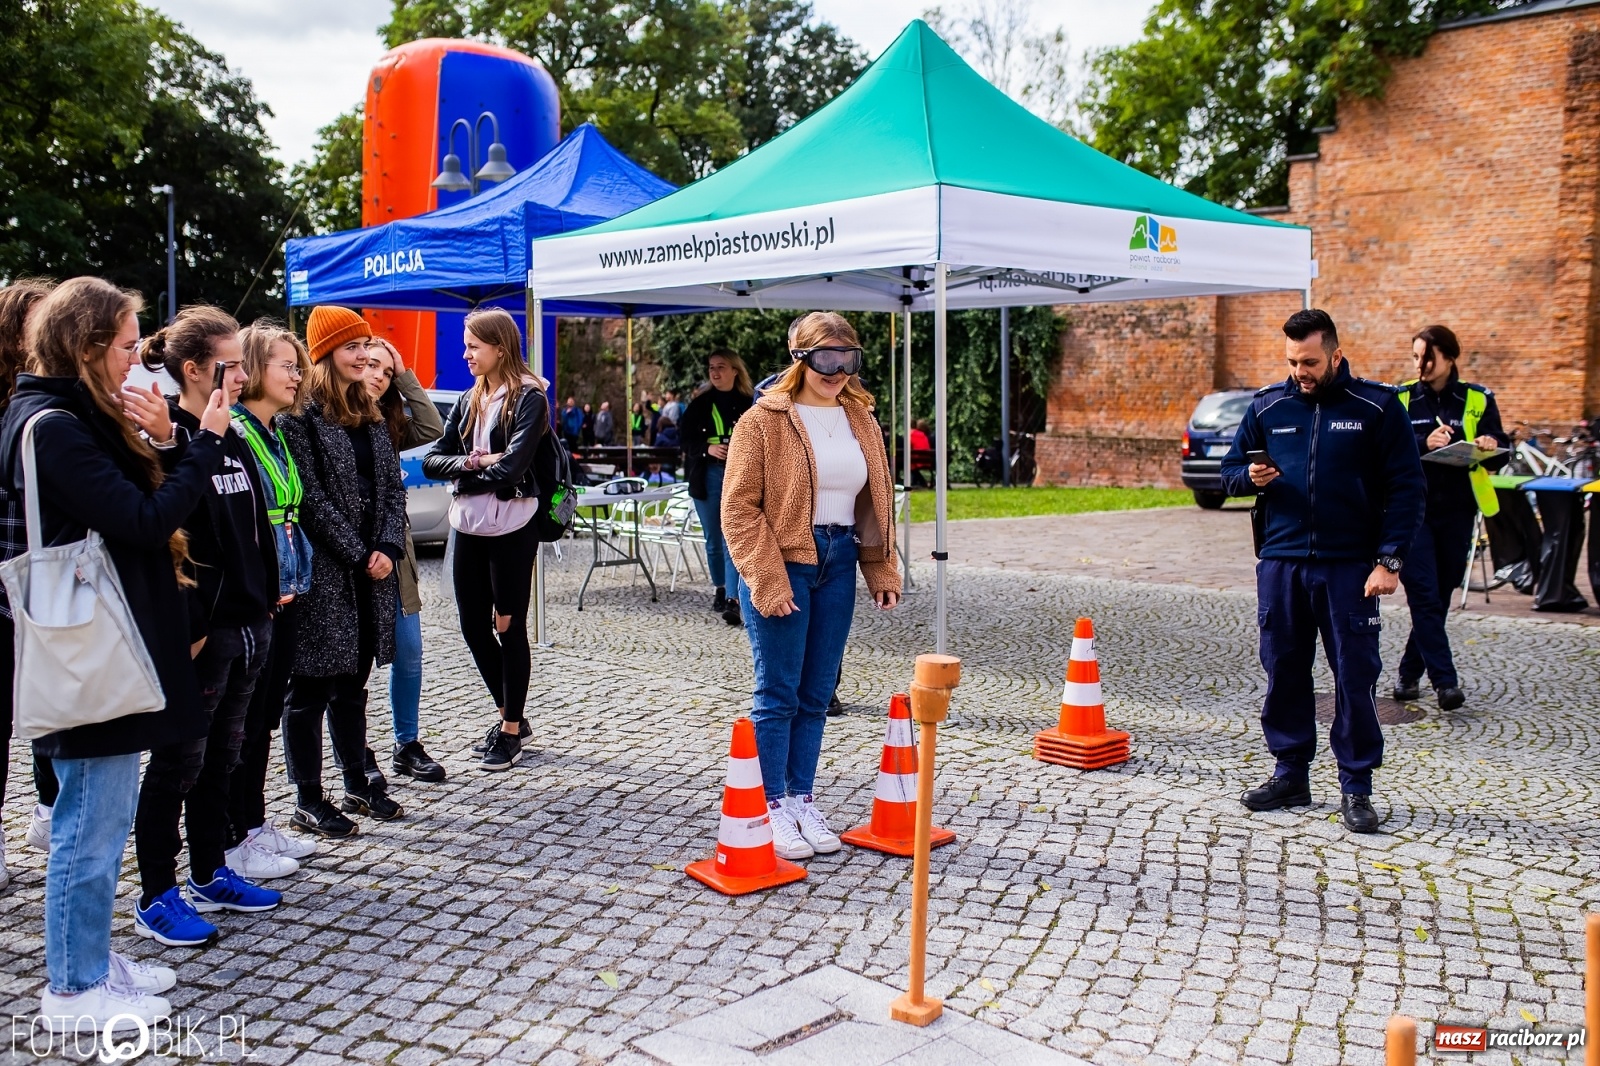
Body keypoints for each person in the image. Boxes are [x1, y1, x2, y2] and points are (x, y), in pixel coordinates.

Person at [0, 276, 232, 1031]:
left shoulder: (70, 415)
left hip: (107, 640)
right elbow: (143, 519)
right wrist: (205, 444)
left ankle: (92, 959)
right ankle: (72, 990)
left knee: (100, 817)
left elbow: (139, 495)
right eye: (129, 346)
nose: (139, 359)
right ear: (87, 346)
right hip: (91, 647)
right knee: (90, 827)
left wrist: (167, 440)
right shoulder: (53, 426)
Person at [1220, 308, 1424, 834]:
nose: (1300, 372)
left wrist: (1389, 561)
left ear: (1335, 355)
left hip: (1350, 569)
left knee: (1354, 677)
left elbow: (1407, 488)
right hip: (1282, 563)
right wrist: (1250, 477)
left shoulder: (1377, 407)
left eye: (1309, 362)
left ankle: (1356, 786)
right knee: (1283, 671)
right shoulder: (1269, 405)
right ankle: (1290, 774)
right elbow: (1229, 472)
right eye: (1292, 362)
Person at [722, 311, 902, 860]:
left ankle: (801, 798)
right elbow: (738, 508)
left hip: (839, 560)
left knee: (818, 693)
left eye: (849, 358)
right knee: (778, 692)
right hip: (785, 561)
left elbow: (874, 501)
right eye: (826, 357)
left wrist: (880, 568)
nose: (837, 370)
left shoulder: (861, 419)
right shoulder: (762, 421)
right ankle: (770, 804)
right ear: (799, 357)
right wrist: (766, 576)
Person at [131, 307, 282, 948]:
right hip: (204, 633)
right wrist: (192, 622)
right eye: (231, 365)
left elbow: (253, 525)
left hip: (249, 623)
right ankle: (156, 893)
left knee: (225, 755)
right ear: (193, 370)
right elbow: (171, 535)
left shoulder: (232, 433)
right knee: (179, 763)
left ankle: (209, 869)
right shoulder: (172, 439)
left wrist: (266, 597)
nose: (243, 375)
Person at [279, 306, 406, 836]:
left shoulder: (369, 411)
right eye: (352, 347)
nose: (362, 356)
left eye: (365, 346)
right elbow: (309, 499)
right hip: (328, 574)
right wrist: (359, 553)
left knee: (353, 684)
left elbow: (393, 488)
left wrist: (388, 546)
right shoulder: (299, 416)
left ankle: (357, 779)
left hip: (371, 569)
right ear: (325, 353)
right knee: (310, 689)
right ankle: (309, 797)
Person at [422, 308, 548, 772]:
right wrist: (475, 464)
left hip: (513, 527)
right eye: (466, 345)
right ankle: (510, 713)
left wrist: (464, 477)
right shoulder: (468, 398)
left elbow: (512, 468)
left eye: (473, 346)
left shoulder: (529, 397)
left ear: (500, 346)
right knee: (473, 626)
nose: (466, 355)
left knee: (508, 626)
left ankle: (510, 730)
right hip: (468, 526)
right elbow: (433, 461)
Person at [224, 321, 318, 877]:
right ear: (255, 368)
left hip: (287, 585)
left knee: (262, 717)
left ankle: (254, 822)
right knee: (247, 719)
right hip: (261, 590)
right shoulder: (237, 431)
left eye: (297, 366)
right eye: (287, 365)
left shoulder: (274, 430)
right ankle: (235, 834)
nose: (297, 375)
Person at [1392, 325, 1509, 711]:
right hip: (1413, 512)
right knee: (1424, 593)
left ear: (1450, 356)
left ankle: (1409, 673)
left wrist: (1490, 444)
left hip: (1459, 511)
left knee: (1440, 595)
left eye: (1428, 357)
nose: (1420, 365)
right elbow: (1382, 448)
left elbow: (1501, 448)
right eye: (1415, 357)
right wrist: (1422, 443)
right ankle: (1445, 682)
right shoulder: (1401, 398)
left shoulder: (1477, 398)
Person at [364, 337, 446, 781]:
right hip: (354, 555)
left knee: (409, 650)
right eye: (370, 365)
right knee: (351, 662)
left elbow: (432, 425)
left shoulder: (390, 422)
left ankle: (406, 743)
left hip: (397, 551)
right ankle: (355, 753)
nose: (378, 376)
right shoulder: (329, 420)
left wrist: (405, 374)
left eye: (385, 370)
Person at [0, 279, 60, 889]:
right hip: (8, 575)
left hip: (46, 581)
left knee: (52, 702)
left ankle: (49, 808)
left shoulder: (56, 406)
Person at [678, 349, 753, 621]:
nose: (715, 372)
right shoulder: (700, 404)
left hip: (738, 475)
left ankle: (734, 598)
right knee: (714, 539)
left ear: (735, 370)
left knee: (732, 537)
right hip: (707, 475)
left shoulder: (749, 403)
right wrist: (706, 449)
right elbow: (684, 440)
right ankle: (720, 588)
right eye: (711, 367)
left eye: (721, 367)